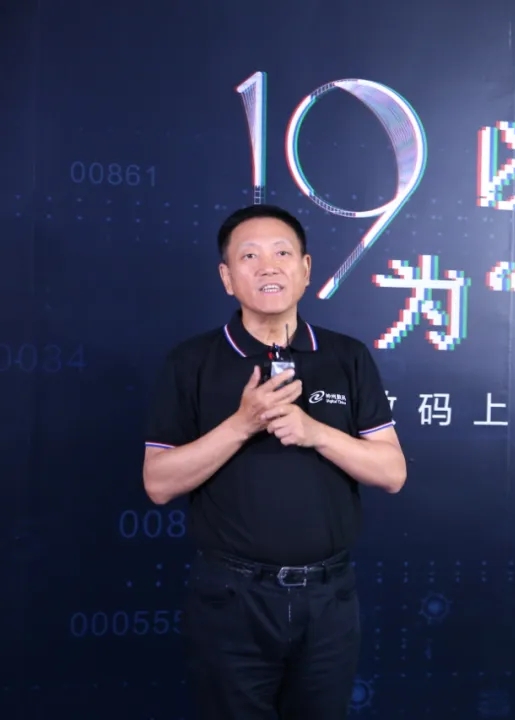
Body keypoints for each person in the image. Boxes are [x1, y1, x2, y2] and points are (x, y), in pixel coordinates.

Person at [142, 204, 406, 719]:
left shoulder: (347, 357)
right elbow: (158, 483)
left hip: (328, 601)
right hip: (231, 600)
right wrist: (243, 424)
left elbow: (392, 473)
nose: (268, 267)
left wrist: (315, 433)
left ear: (306, 269)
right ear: (227, 278)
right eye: (249, 256)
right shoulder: (192, 361)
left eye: (283, 253)